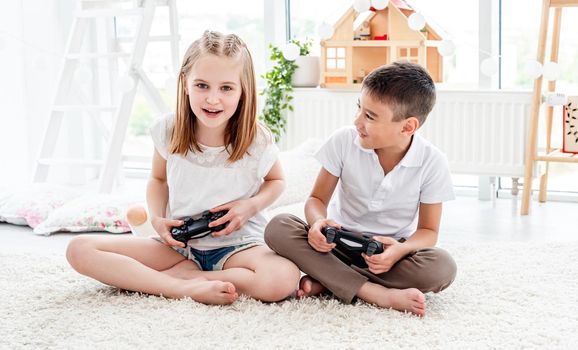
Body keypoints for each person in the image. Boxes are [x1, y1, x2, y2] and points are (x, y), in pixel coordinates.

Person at [66, 30, 300, 305]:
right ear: (185, 83)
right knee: (79, 249)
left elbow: (277, 181)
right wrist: (157, 219)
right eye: (202, 86)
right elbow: (157, 179)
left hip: (238, 247)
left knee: (283, 277)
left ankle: (187, 280)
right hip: (180, 247)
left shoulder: (256, 139)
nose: (213, 99)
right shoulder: (168, 129)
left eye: (226, 88)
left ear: (242, 91)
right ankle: (180, 286)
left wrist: (249, 206)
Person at [264, 61, 457, 316]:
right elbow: (316, 199)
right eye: (359, 109)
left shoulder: (432, 162)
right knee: (278, 226)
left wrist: (400, 250)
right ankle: (375, 293)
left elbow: (428, 231)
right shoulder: (344, 141)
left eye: (370, 116)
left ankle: (330, 280)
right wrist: (317, 223)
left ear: (408, 127)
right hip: (335, 244)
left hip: (388, 254)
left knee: (442, 267)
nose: (357, 122)